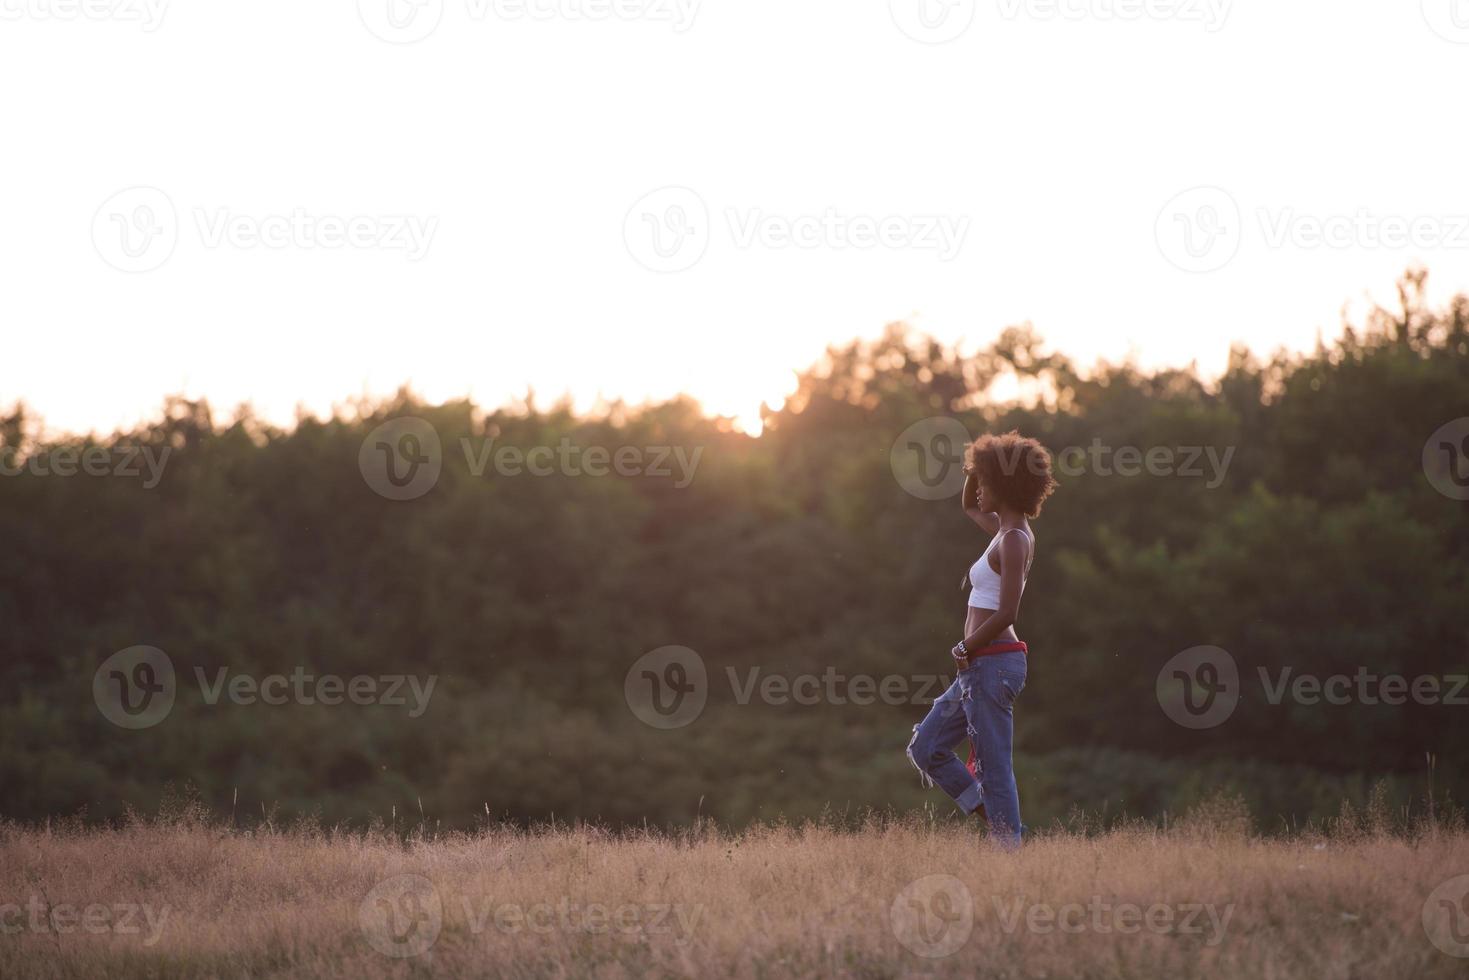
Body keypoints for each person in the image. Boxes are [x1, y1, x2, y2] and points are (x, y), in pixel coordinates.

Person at [906, 431, 1057, 846]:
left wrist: (964, 648)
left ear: (1006, 487)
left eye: (988, 481)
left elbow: (1008, 612)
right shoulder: (1001, 530)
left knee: (994, 765)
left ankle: (1007, 848)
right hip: (979, 665)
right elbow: (968, 504)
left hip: (992, 662)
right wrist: (977, 464)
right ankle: (996, 821)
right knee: (927, 746)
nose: (980, 489)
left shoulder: (1013, 540)